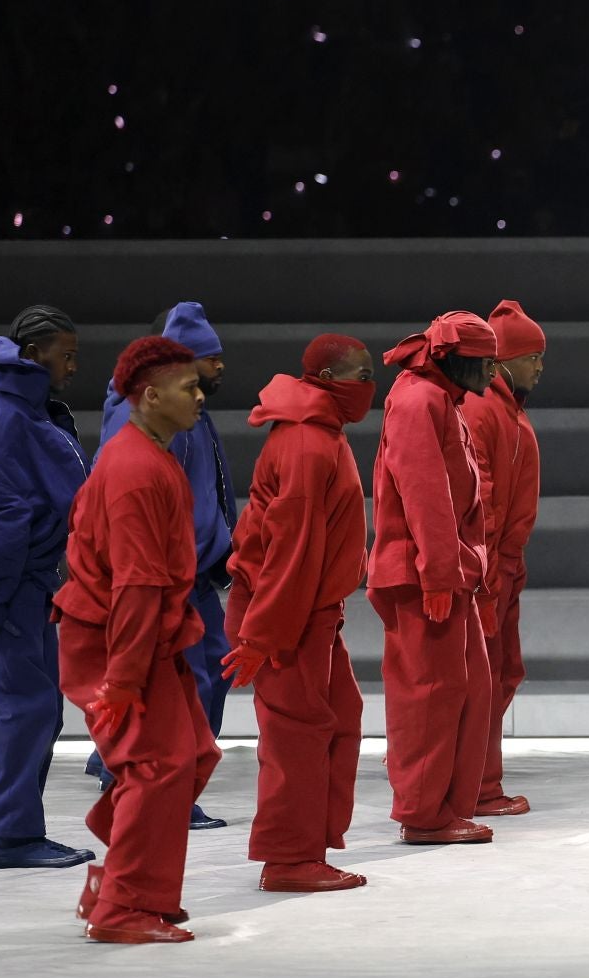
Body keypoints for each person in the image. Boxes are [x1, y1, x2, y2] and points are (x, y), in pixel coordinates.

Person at [57, 338, 220, 943]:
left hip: (147, 636)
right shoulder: (135, 470)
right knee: (159, 766)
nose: (201, 397)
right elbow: (136, 585)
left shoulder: (152, 458)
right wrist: (122, 680)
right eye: (189, 387)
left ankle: (121, 878)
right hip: (118, 640)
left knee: (192, 756)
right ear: (150, 396)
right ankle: (122, 909)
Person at [220, 335, 375, 893]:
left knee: (333, 720)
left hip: (306, 612)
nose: (368, 386)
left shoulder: (318, 434)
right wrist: (263, 636)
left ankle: (307, 846)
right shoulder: (310, 444)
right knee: (297, 735)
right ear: (329, 376)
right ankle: (290, 858)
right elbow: (291, 551)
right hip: (289, 615)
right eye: (360, 375)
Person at [95, 302, 237, 830]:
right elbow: (131, 512)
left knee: (213, 673)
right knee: (181, 683)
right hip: (161, 579)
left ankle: (156, 780)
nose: (219, 369)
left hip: (192, 573)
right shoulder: (140, 425)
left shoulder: (191, 416)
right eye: (209, 358)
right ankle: (144, 780)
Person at [0, 306, 96, 870]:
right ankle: (14, 836)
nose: (72, 366)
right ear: (33, 354)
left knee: (35, 707)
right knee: (23, 707)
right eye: (64, 355)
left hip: (31, 583)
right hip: (11, 587)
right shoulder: (3, 416)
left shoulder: (25, 409)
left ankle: (18, 830)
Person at [368, 312, 497, 845]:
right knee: (429, 695)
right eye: (486, 363)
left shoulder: (440, 397)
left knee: (464, 690)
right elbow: (425, 494)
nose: (492, 376)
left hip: (443, 571)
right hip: (424, 576)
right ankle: (424, 814)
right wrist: (440, 575)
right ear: (458, 360)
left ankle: (441, 807)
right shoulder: (420, 400)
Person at [463, 300, 544, 817]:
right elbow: (483, 497)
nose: (540, 367)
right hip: (491, 566)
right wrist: (490, 567)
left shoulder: (507, 409)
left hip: (506, 563)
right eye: (533, 357)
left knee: (501, 673)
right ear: (504, 361)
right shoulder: (483, 411)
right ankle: (479, 786)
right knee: (486, 678)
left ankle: (481, 782)